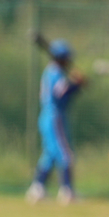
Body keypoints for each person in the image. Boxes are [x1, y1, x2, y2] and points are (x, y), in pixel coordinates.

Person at [26, 40, 86, 205]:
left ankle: (37, 187)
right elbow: (62, 94)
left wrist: (75, 84)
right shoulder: (55, 73)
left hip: (48, 115)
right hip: (54, 116)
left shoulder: (52, 71)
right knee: (65, 154)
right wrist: (77, 85)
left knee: (50, 154)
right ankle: (67, 190)